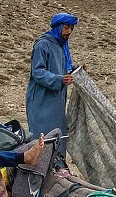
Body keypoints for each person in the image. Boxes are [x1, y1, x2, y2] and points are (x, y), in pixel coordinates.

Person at [26, 12, 80, 157]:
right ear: (58, 27)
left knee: (58, 133)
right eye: (66, 27)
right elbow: (38, 72)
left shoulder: (62, 46)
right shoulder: (43, 45)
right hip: (41, 100)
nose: (69, 31)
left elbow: (63, 66)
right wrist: (59, 79)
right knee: (42, 134)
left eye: (71, 28)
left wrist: (76, 70)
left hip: (56, 99)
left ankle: (57, 164)